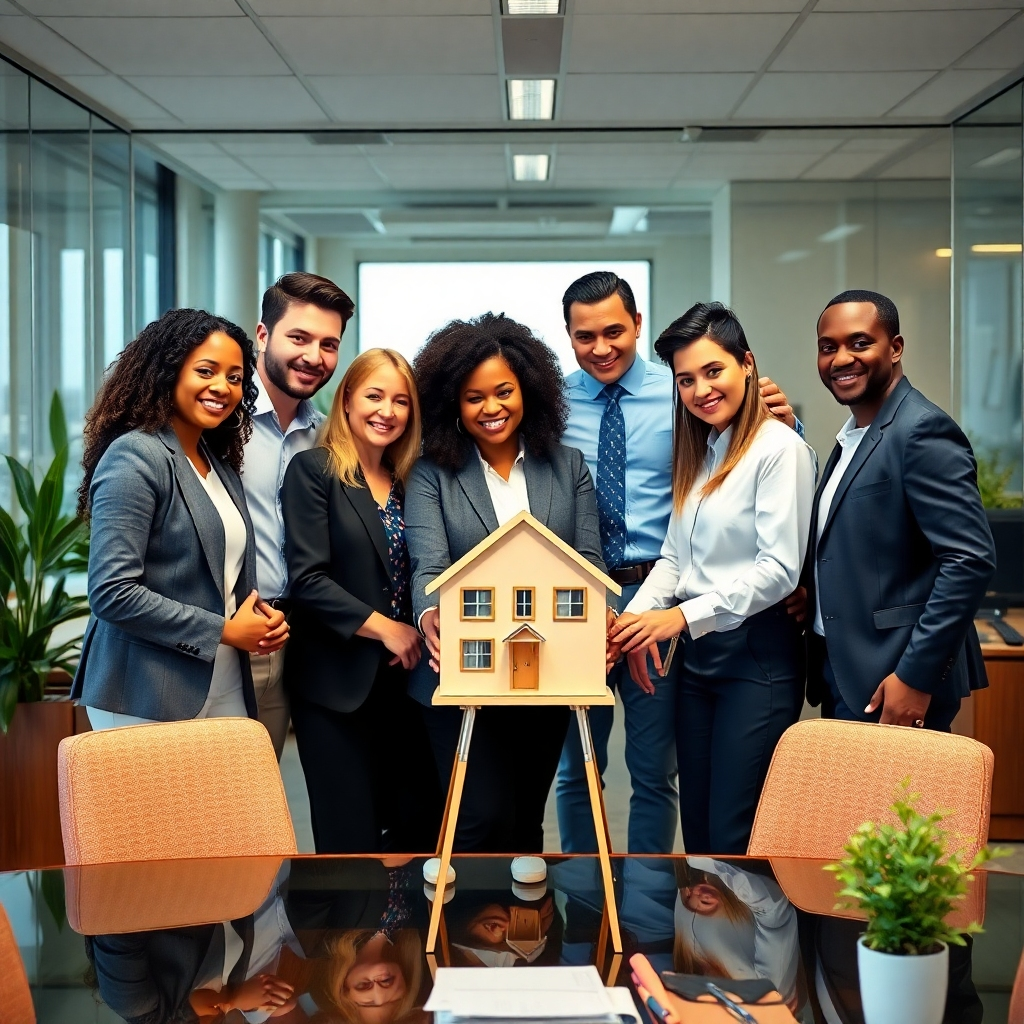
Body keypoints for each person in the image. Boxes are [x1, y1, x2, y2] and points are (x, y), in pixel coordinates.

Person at [556, 271, 804, 855]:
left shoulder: (712, 417)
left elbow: (777, 548)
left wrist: (791, 425)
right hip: (597, 604)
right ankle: (587, 894)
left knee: (659, 775)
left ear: (637, 324)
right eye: (585, 336)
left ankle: (647, 900)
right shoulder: (559, 405)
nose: (601, 347)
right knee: (580, 771)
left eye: (614, 331)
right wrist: (632, 623)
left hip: (685, 613)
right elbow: (682, 548)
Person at [405, 312, 606, 853]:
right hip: (460, 675)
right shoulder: (431, 473)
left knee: (525, 823)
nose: (490, 408)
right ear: (453, 403)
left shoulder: (568, 466)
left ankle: (528, 912)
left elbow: (588, 561)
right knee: (477, 820)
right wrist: (431, 616)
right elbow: (428, 568)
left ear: (528, 391)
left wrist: (598, 623)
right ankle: (468, 913)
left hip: (547, 674)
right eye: (473, 397)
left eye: (503, 392)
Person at [71, 308, 288, 730]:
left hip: (224, 680)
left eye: (235, 377)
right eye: (206, 371)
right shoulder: (135, 456)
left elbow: (217, 573)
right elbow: (112, 592)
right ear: (168, 373)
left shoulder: (218, 464)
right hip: (143, 690)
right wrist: (226, 631)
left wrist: (259, 618)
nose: (222, 387)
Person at [806, 289, 995, 731]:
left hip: (894, 675)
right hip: (847, 666)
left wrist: (915, 677)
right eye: (828, 347)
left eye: (859, 343)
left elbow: (969, 560)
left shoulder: (921, 429)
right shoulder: (853, 437)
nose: (841, 359)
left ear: (895, 348)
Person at [281, 349, 438, 854]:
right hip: (336, 685)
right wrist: (387, 628)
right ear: (346, 400)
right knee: (349, 840)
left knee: (416, 830)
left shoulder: (412, 480)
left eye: (401, 401)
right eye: (374, 396)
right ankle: (349, 915)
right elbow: (308, 579)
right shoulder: (313, 471)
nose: (387, 411)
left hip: (406, 684)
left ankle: (400, 914)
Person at [243, 271, 354, 758]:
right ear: (263, 335)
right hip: (219, 638)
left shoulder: (328, 438)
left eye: (329, 345)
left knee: (258, 792)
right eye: (299, 338)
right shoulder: (219, 420)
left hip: (292, 639)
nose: (314, 356)